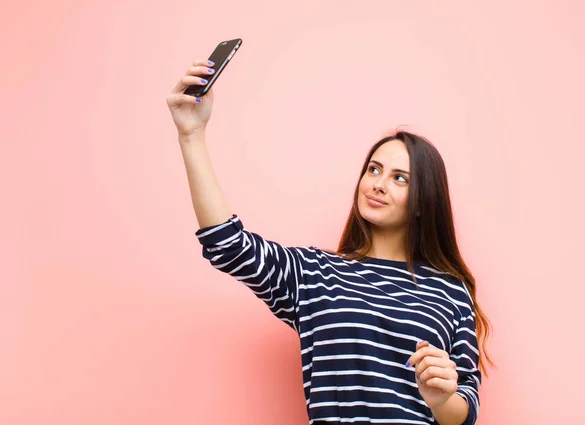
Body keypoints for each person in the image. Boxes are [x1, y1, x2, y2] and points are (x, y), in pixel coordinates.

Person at [166, 59, 492, 425]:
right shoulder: (316, 274)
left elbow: (464, 413)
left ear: (423, 200)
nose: (379, 184)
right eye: (374, 169)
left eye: (401, 178)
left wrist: (440, 398)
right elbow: (228, 245)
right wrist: (191, 136)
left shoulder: (449, 291)